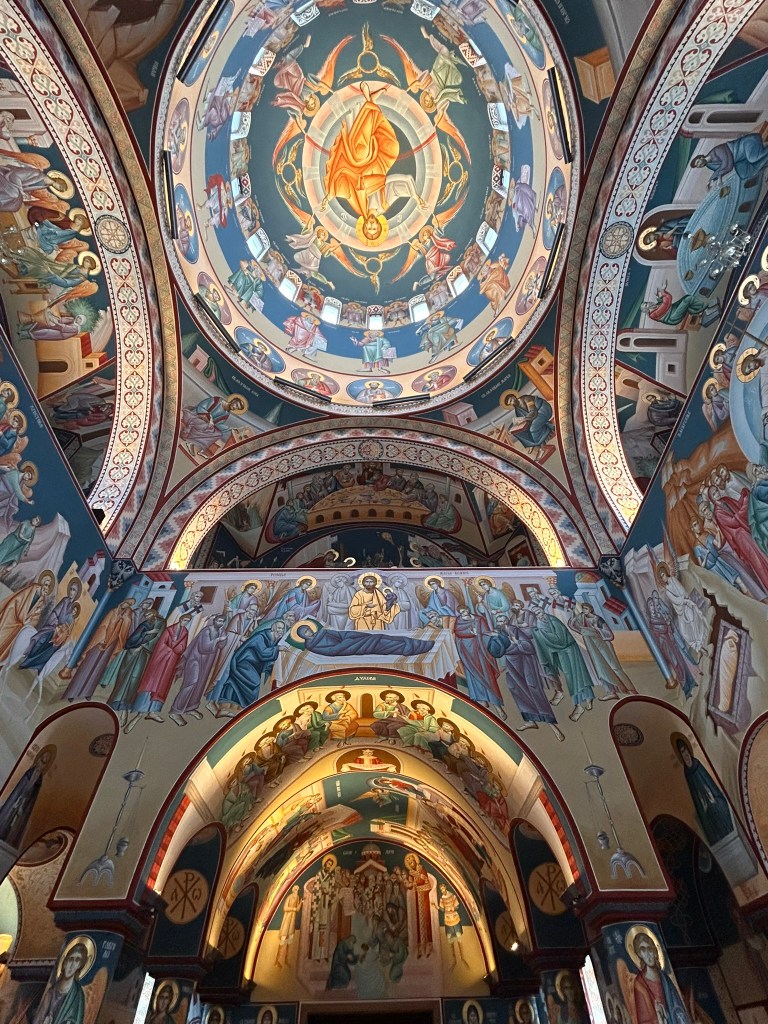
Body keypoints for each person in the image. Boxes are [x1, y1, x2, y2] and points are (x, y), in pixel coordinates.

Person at [674, 736, 734, 845]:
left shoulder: (697, 763)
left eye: (686, 750)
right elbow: (695, 796)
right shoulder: (686, 773)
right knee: (707, 819)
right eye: (682, 752)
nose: (686, 754)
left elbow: (709, 782)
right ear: (680, 756)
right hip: (704, 805)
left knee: (719, 807)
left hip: (713, 798)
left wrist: (712, 797)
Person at [626, 930, 688, 1024]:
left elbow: (678, 1008)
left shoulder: (665, 978)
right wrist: (659, 1018)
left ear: (655, 952)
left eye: (650, 949)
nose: (648, 954)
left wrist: (667, 1016)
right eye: (643, 950)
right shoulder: (639, 984)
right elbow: (644, 1021)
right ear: (639, 954)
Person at [0, 745, 54, 847]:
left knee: (17, 821)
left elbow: (34, 794)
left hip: (26, 800)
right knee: (8, 813)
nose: (45, 758)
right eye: (45, 755)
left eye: (48, 758)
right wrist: (19, 796)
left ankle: (9, 838)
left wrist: (26, 800)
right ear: (41, 756)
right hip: (18, 796)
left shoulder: (40, 778)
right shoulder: (30, 771)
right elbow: (21, 784)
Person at [33, 939, 90, 1024]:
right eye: (71, 959)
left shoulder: (77, 995)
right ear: (65, 962)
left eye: (77, 960)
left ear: (80, 965)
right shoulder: (51, 992)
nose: (72, 965)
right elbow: (38, 1020)